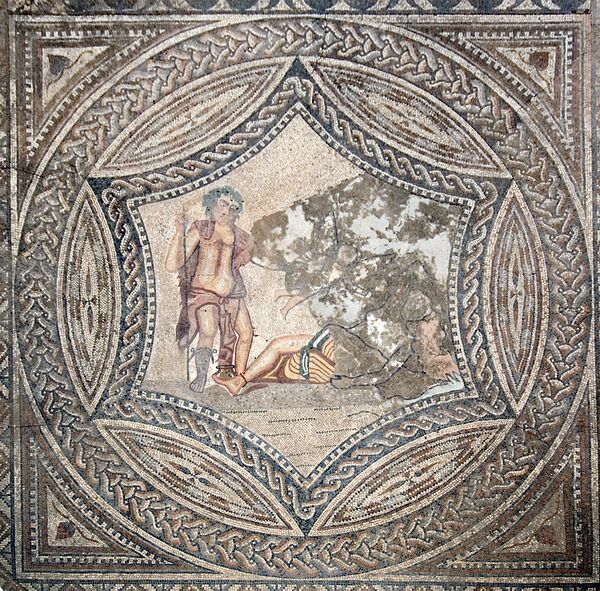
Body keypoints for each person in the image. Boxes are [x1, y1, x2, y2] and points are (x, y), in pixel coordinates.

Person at [164, 186, 254, 393]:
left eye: (233, 207)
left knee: (246, 333)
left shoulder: (241, 236)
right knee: (209, 329)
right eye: (223, 204)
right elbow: (172, 264)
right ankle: (202, 374)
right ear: (211, 204)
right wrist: (179, 234)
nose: (227, 211)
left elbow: (247, 252)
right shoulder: (202, 228)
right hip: (204, 292)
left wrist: (247, 254)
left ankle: (239, 380)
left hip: (233, 294)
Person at [213, 328, 335, 396]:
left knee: (278, 346)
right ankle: (240, 380)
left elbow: (316, 343)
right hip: (325, 360)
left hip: (317, 362)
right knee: (278, 353)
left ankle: (239, 382)